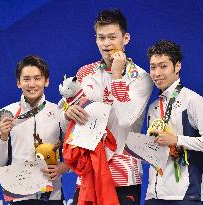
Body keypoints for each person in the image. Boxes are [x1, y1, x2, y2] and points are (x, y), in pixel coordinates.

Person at [60, 9, 153, 205]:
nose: (107, 43)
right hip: (88, 172)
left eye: (112, 37)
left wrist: (117, 77)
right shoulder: (85, 73)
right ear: (95, 39)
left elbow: (127, 118)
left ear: (125, 38)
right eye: (101, 37)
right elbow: (68, 122)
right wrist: (67, 112)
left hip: (123, 173)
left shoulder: (141, 77)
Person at [145, 39, 203, 205]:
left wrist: (177, 140)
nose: (157, 73)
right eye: (153, 67)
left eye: (163, 66)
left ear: (177, 66)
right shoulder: (153, 107)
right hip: (154, 195)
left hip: (185, 196)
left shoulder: (193, 101)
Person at [0, 55, 69, 205]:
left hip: (52, 197)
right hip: (19, 197)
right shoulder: (5, 113)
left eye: (37, 78)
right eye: (26, 79)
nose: (32, 84)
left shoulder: (60, 113)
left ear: (46, 81)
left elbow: (75, 154)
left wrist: (64, 167)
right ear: (18, 83)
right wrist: (3, 136)